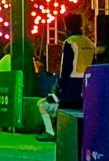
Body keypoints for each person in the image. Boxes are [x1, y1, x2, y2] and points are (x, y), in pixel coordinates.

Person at [36, 13, 95, 142]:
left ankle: (50, 132)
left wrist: (59, 89)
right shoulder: (90, 43)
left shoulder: (70, 42)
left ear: (67, 27)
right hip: (87, 87)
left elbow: (65, 69)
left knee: (42, 103)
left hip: (69, 90)